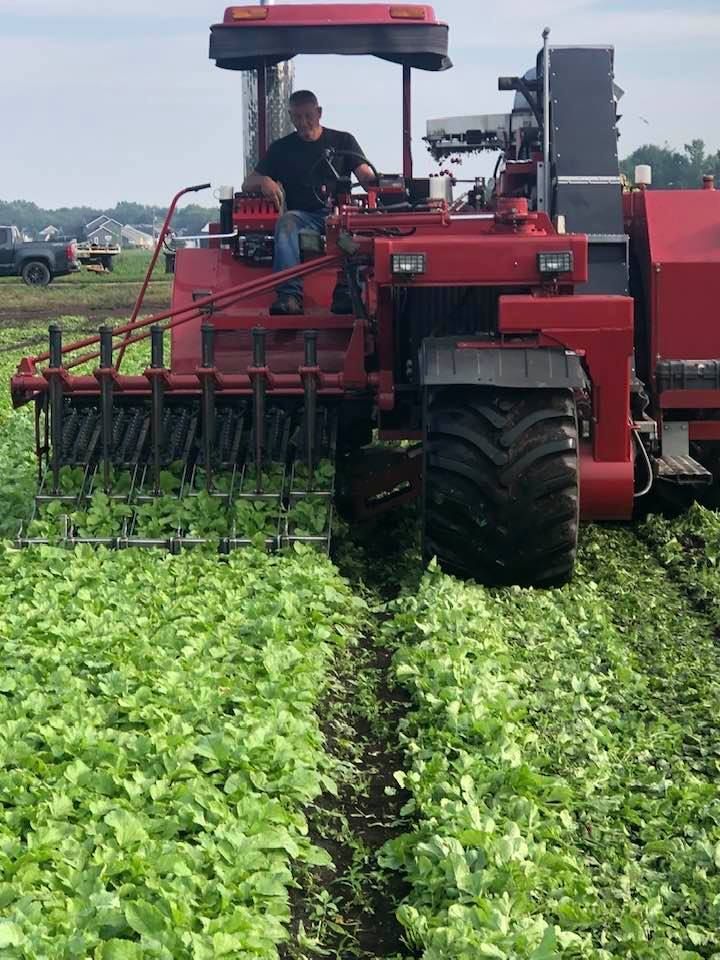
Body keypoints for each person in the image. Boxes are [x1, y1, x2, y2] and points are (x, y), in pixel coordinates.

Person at [242, 90, 375, 316]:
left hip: (343, 215)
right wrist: (264, 180)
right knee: (287, 222)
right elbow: (248, 183)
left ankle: (346, 292)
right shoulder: (281, 149)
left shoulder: (343, 141)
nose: (303, 123)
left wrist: (377, 182)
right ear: (290, 117)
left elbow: (366, 177)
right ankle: (290, 296)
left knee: (360, 228)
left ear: (319, 113)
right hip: (304, 217)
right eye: (297, 117)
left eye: (308, 116)